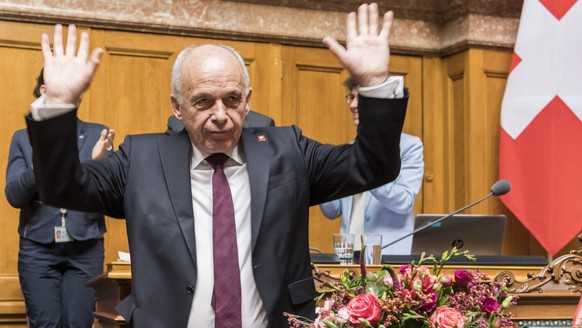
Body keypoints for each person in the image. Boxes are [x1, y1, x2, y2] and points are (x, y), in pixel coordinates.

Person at [25, 3, 408, 326]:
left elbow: (372, 166)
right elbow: (62, 186)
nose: (221, 115)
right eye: (203, 101)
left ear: (248, 100)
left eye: (232, 99)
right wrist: (57, 106)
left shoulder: (288, 149)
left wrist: (375, 83)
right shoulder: (140, 158)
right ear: (177, 106)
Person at [5, 69, 115, 327]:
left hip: (86, 246)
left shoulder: (98, 135)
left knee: (79, 324)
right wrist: (42, 155)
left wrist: (94, 163)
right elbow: (15, 196)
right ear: (44, 92)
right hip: (37, 249)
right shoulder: (23, 139)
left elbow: (107, 194)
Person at [320, 76, 424, 255]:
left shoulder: (410, 146)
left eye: (359, 98)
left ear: (381, 105)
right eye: (351, 97)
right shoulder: (348, 150)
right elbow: (332, 210)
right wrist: (318, 176)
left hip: (389, 260)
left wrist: (368, 172)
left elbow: (404, 202)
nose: (352, 105)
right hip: (347, 260)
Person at [167, 110, 275, 134]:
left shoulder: (263, 124)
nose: (220, 117)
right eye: (204, 100)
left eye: (231, 98)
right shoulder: (177, 125)